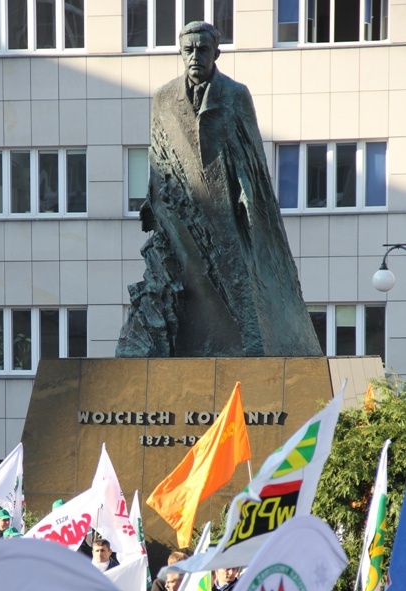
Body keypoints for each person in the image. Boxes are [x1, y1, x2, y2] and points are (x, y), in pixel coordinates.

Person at [116, 21, 322, 359]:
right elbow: (158, 152)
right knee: (187, 281)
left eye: (202, 49)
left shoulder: (235, 94)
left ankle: (253, 346)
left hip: (225, 205)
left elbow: (251, 152)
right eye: (188, 50)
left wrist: (249, 199)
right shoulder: (164, 98)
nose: (195, 56)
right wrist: (152, 206)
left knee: (240, 280)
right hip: (182, 207)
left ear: (216, 52)